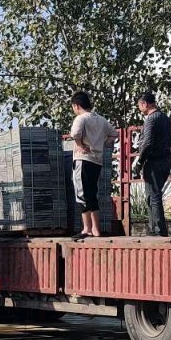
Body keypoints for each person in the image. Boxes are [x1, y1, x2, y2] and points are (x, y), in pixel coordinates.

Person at [69, 91, 117, 239]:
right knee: (92, 193)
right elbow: (114, 134)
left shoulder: (81, 118)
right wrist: (102, 144)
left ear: (77, 105)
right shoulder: (101, 120)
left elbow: (75, 134)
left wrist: (80, 145)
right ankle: (96, 229)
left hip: (83, 159)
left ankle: (87, 228)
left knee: (82, 194)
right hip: (96, 160)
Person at [130, 93, 171, 237]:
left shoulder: (151, 119)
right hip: (166, 159)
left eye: (139, 105)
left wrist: (140, 161)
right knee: (155, 194)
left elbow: (147, 143)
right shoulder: (165, 118)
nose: (139, 108)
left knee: (153, 196)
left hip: (154, 161)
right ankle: (157, 229)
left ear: (145, 104)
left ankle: (158, 230)